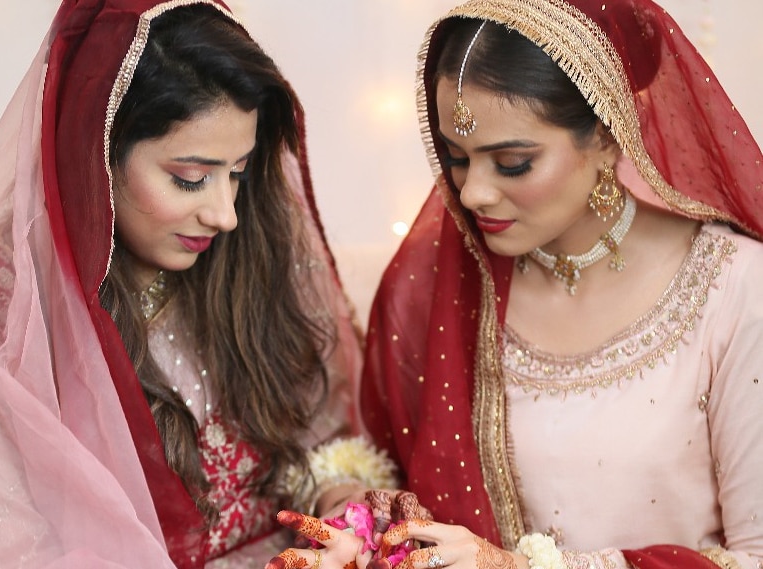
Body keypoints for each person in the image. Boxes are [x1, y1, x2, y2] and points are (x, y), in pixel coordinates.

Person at [270, 1, 763, 569]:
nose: (473, 192)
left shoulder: (735, 290)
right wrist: (351, 514)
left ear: (607, 134)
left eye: (511, 163)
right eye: (456, 158)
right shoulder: (434, 280)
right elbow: (383, 471)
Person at [0, 1, 394, 567]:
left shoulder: (249, 249)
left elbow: (322, 439)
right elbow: (11, 551)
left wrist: (338, 503)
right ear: (95, 153)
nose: (226, 214)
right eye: (190, 179)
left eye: (237, 173)